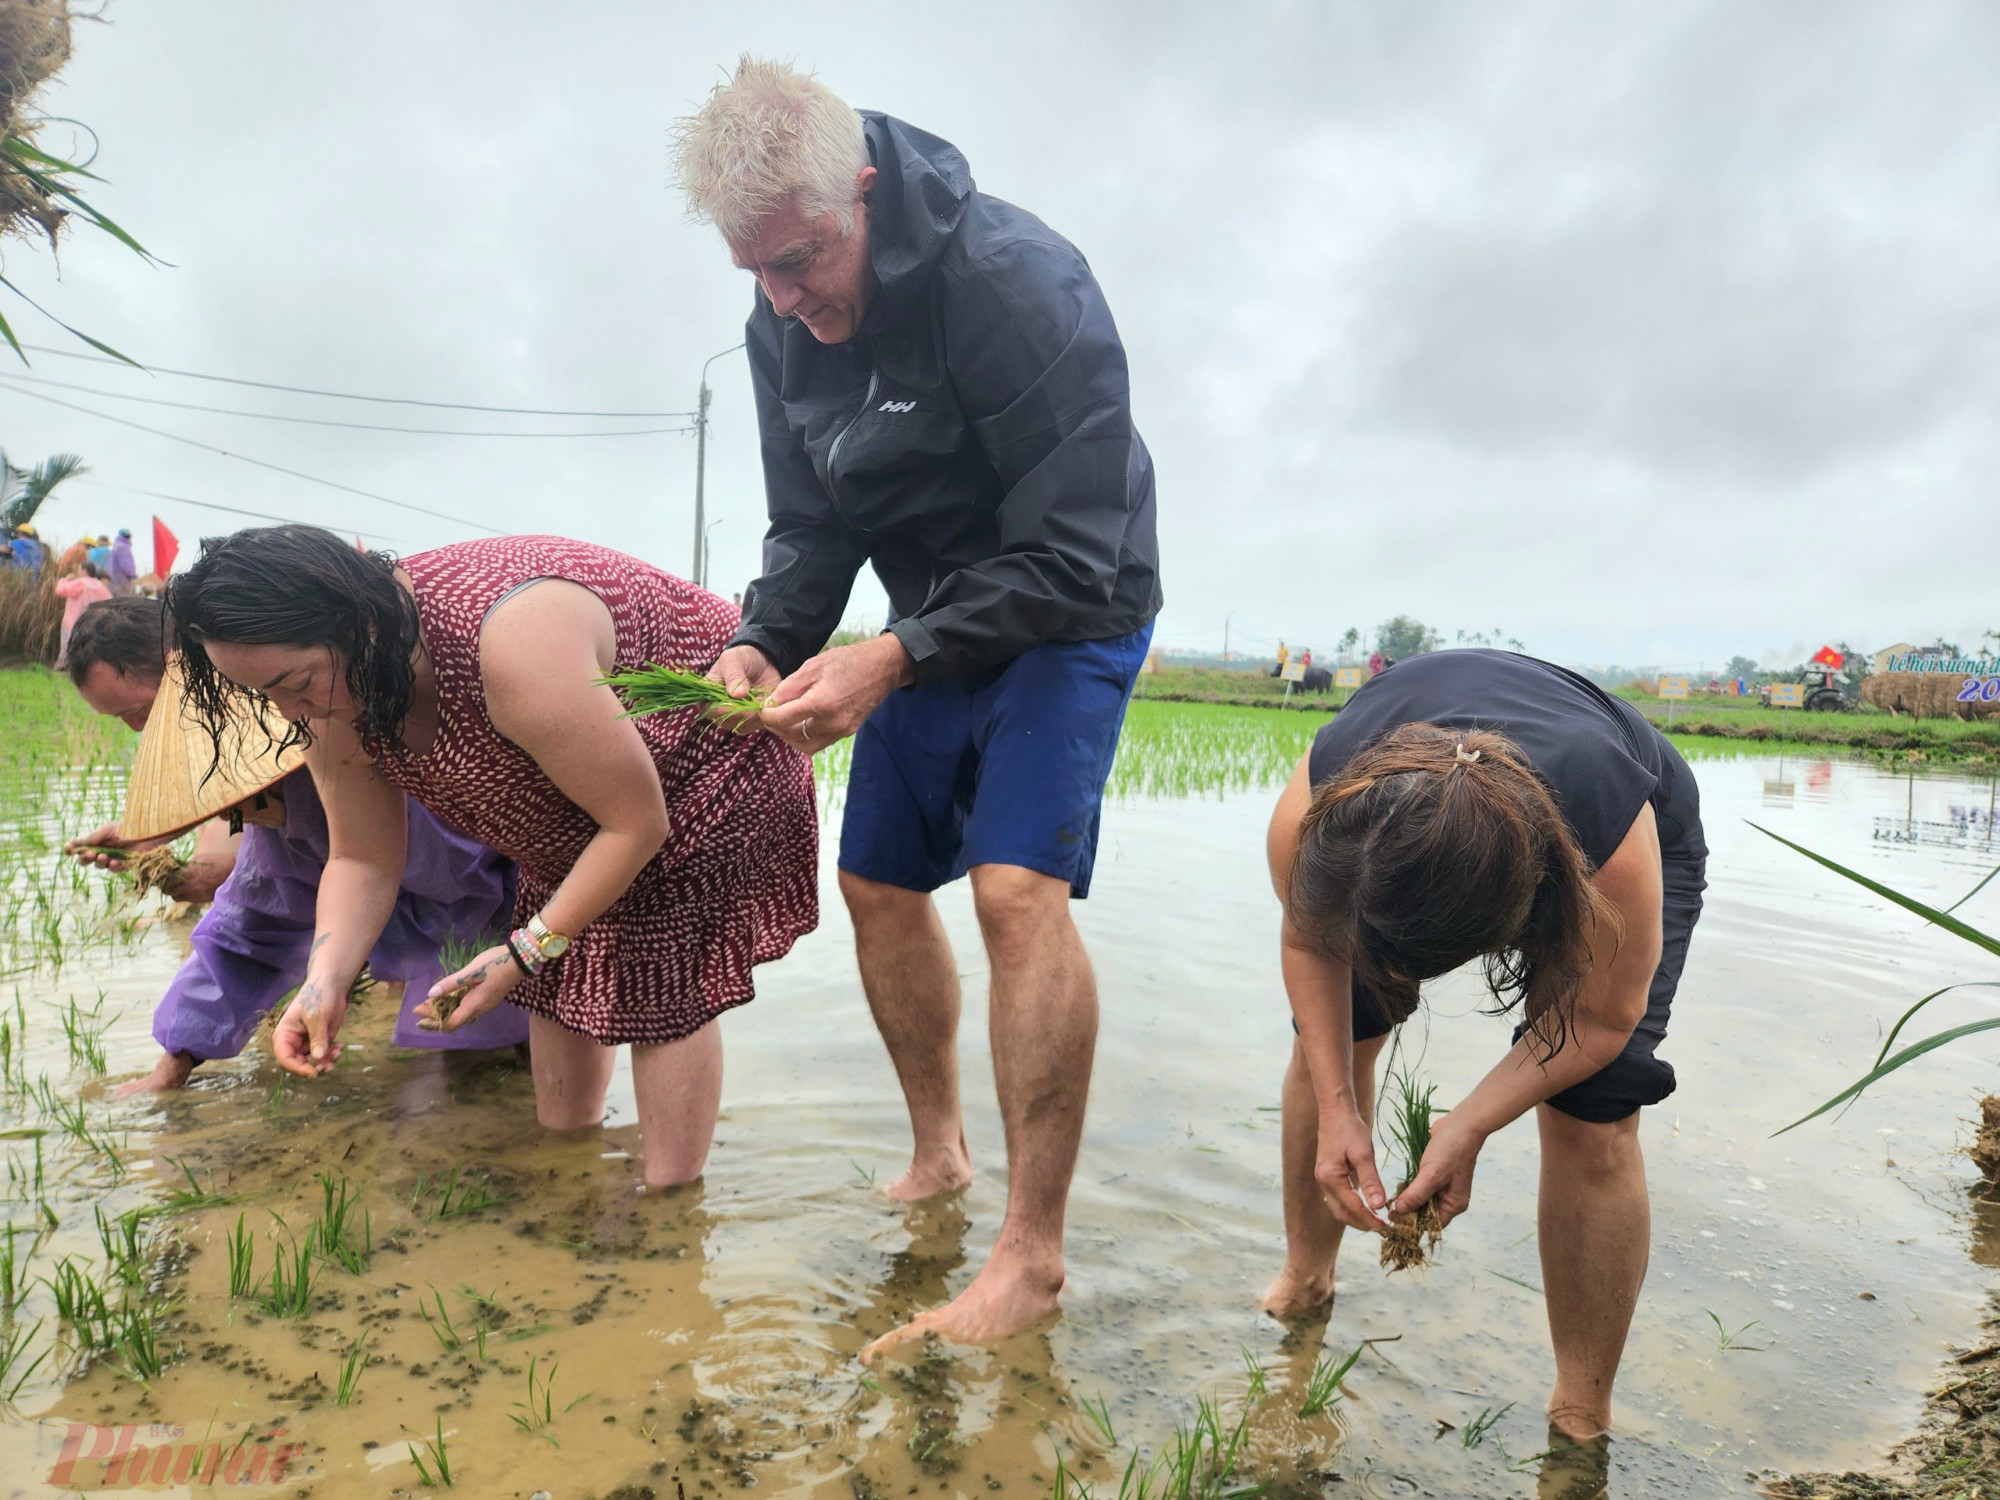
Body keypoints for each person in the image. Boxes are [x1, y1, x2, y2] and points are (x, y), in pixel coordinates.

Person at [673, 59, 1161, 1350]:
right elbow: (810, 524)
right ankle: (940, 1155)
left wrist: (895, 655)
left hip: (1072, 606)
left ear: (867, 193)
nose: (788, 300)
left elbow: (1077, 548)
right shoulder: (781, 325)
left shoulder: (1016, 281)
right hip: (927, 623)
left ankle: (1031, 1257)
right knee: (881, 887)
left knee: (1012, 892)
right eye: (758, 275)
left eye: (808, 258)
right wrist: (765, 640)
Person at [164, 526, 819, 1188]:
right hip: (576, 792)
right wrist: (324, 981)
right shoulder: (336, 699)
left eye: (298, 682)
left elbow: (634, 824)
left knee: (657, 969)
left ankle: (670, 1214)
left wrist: (523, 950)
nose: (291, 711)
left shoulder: (511, 645)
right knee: (554, 970)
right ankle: (569, 1168)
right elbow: (362, 860)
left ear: (358, 624)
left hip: (706, 751)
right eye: (264, 694)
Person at [1260, 649, 1705, 1441]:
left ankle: (1580, 1411)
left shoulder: (1611, 851)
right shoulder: (1318, 816)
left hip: (1602, 828)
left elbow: (1600, 1022)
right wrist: (1337, 1108)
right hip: (1398, 839)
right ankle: (1304, 1282)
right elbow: (1308, 946)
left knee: (1591, 1110)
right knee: (1327, 1043)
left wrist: (1469, 1122)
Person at [59, 597, 529, 1093]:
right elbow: (246, 931)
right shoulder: (266, 811)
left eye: (140, 711)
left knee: (488, 1064)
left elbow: (500, 881)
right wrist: (170, 1070)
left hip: (514, 923)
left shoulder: (363, 751)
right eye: (121, 720)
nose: (137, 731)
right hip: (448, 928)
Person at [53, 560, 112, 669]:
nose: (78, 572)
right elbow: (109, 602)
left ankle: (63, 666)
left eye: (79, 569)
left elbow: (60, 591)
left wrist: (64, 580)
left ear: (84, 571)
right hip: (93, 622)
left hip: (73, 621)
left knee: (68, 645)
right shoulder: (100, 586)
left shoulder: (80, 583)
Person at [108, 528, 137, 594]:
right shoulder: (123, 547)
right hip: (122, 582)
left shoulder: (116, 546)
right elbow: (126, 566)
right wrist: (133, 575)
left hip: (114, 581)